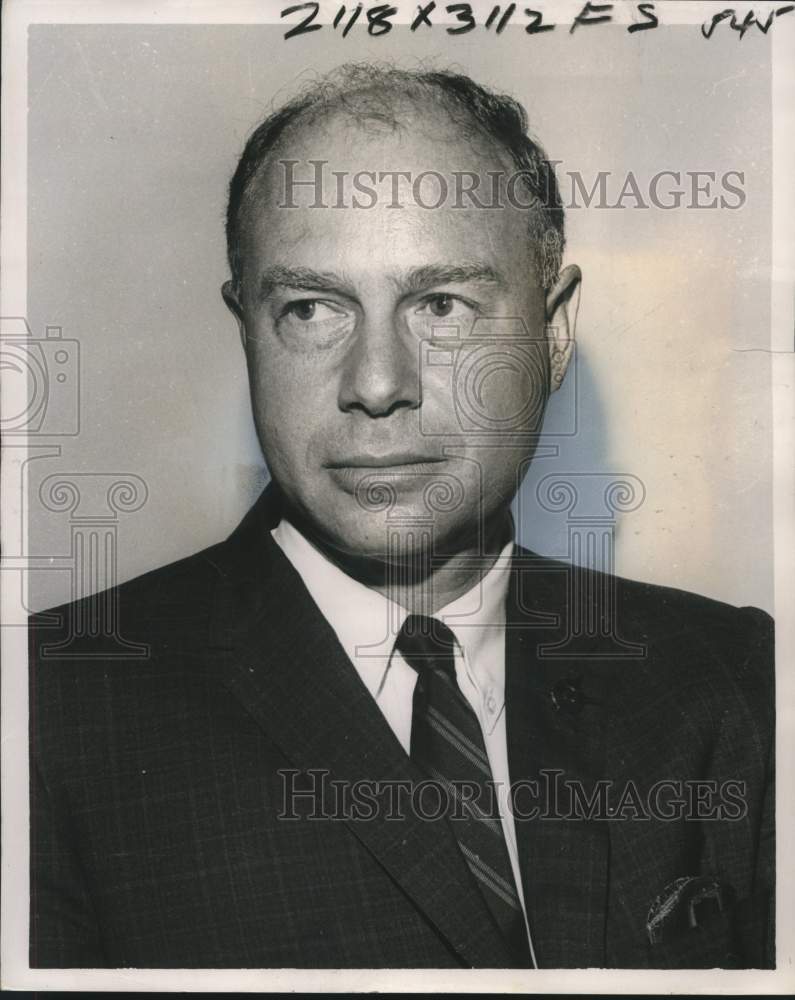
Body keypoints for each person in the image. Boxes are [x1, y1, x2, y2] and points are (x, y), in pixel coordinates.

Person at [29, 63, 774, 970]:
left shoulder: (730, 680)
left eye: (440, 305)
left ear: (553, 331)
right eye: (311, 308)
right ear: (247, 333)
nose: (376, 383)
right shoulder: (45, 716)